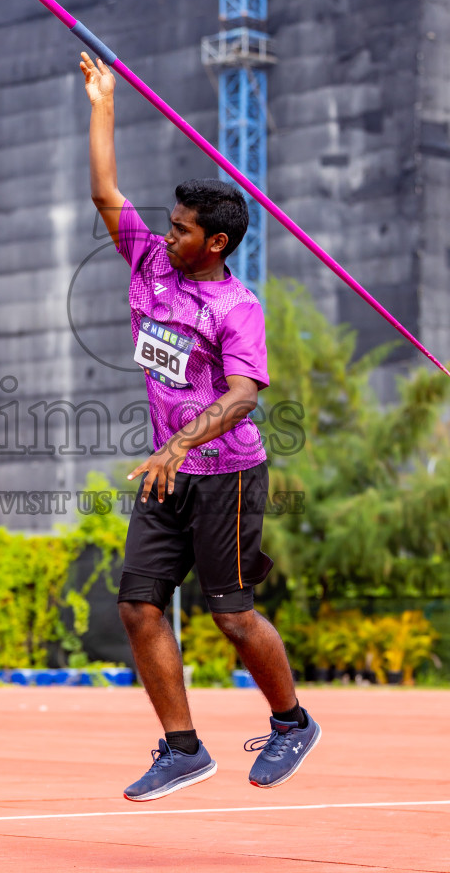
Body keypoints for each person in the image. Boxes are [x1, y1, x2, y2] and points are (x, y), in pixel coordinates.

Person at [79, 51, 321, 802]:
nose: (168, 232)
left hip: (226, 475)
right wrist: (103, 103)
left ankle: (290, 723)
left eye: (182, 229)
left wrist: (179, 443)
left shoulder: (236, 307)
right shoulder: (149, 261)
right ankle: (181, 749)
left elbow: (245, 395)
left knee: (232, 616)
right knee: (137, 603)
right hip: (168, 471)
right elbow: (103, 192)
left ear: (213, 243)